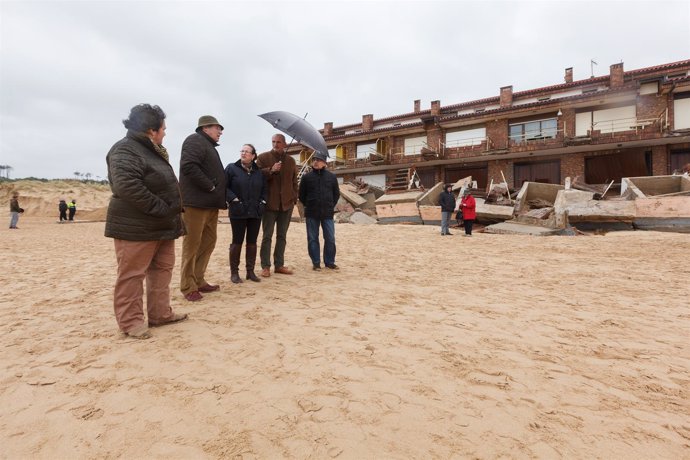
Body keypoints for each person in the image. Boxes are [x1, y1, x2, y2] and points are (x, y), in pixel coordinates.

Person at [105, 103, 188, 340]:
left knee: (162, 271)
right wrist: (162, 208)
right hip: (136, 227)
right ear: (151, 130)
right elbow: (127, 186)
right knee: (132, 274)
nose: (165, 133)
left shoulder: (151, 150)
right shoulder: (125, 149)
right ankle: (131, 323)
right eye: (163, 128)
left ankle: (160, 314)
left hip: (162, 226)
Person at [178, 115, 227, 302]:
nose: (220, 132)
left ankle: (198, 279)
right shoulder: (194, 140)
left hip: (210, 204)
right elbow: (189, 166)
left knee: (208, 242)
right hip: (196, 204)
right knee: (192, 245)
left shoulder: (208, 145)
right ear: (206, 128)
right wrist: (210, 186)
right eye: (217, 128)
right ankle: (187, 285)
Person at [256, 133, 298, 277]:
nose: (275, 144)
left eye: (279, 142)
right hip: (269, 204)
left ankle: (279, 265)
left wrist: (294, 198)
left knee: (282, 236)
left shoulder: (291, 161)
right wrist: (271, 170)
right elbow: (256, 177)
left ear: (284, 144)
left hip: (286, 205)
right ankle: (265, 266)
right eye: (273, 141)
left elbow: (294, 182)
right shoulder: (262, 158)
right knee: (267, 236)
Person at [225, 144, 267, 283]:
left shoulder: (259, 172)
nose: (243, 153)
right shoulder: (231, 168)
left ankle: (250, 272)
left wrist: (263, 203)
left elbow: (264, 190)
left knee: (252, 242)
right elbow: (224, 187)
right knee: (237, 242)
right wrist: (233, 199)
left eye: (247, 151)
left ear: (253, 156)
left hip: (255, 212)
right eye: (242, 150)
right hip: (238, 211)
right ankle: (234, 273)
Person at [298, 152, 340, 270]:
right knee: (312, 238)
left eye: (318, 160)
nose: (315, 162)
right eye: (314, 159)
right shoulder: (306, 177)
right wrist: (310, 204)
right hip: (312, 213)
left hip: (327, 213)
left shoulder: (332, 177)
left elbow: (336, 194)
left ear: (324, 163)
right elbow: (301, 195)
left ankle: (329, 262)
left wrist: (330, 205)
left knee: (330, 238)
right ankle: (316, 263)